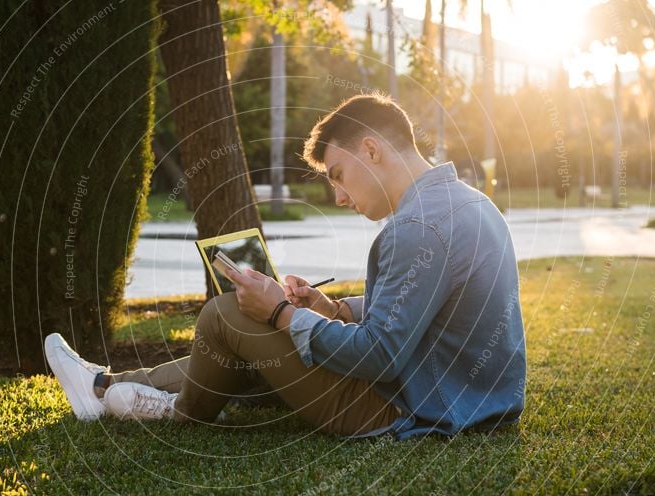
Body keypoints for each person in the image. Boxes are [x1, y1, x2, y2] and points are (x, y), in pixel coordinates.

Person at [44, 93, 526, 441]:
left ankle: (178, 413)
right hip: (477, 401)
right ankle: (103, 385)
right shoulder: (472, 204)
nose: (338, 196)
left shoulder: (415, 228)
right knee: (254, 341)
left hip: (407, 407)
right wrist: (329, 309)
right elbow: (428, 309)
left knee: (226, 315)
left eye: (338, 176)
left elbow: (379, 355)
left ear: (373, 150)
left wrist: (283, 314)